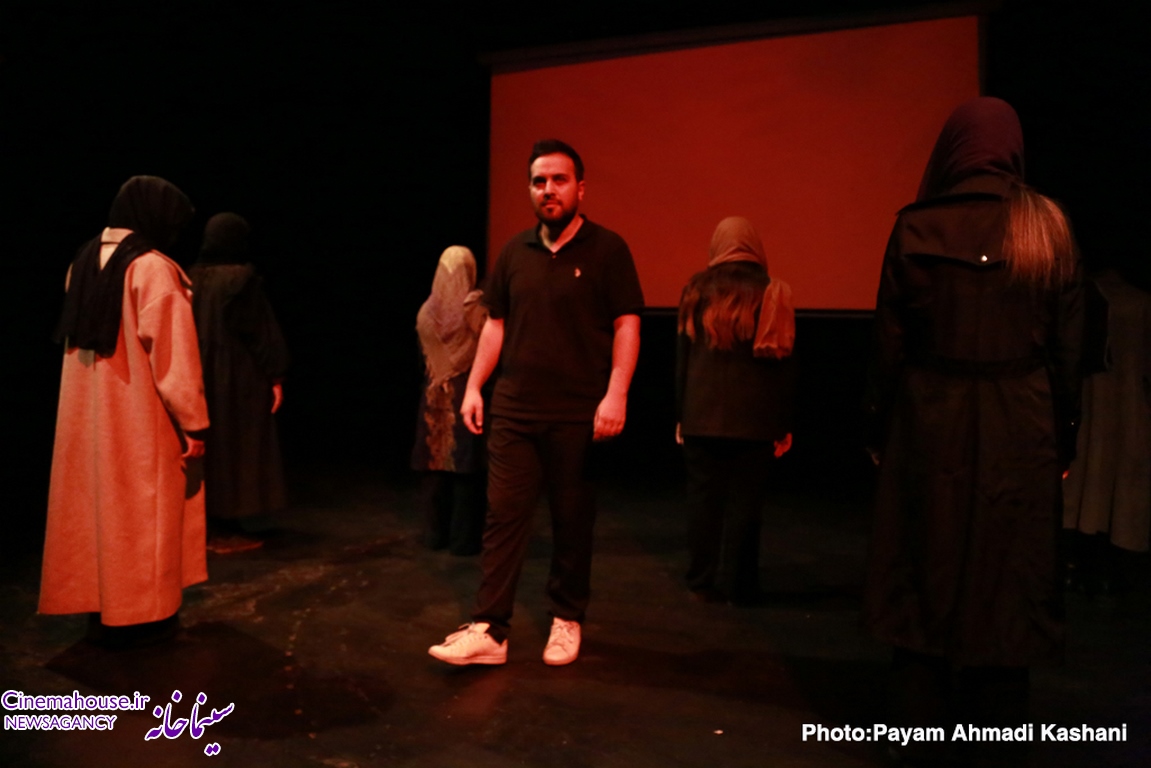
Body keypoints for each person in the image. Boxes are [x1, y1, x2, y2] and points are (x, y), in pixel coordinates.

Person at [862, 98, 1082, 766]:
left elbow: (888, 345)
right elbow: (1068, 351)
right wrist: (1063, 440)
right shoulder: (1046, 226)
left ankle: (919, 734)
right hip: (1022, 424)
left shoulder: (915, 226)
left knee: (922, 568)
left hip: (930, 420)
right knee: (1009, 578)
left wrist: (879, 430)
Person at [429, 139, 644, 666]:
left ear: (580, 188)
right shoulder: (514, 252)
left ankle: (567, 618)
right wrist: (475, 386)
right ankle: (490, 629)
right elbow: (495, 325)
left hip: (578, 413)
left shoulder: (607, 250)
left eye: (559, 180)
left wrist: (617, 393)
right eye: (538, 181)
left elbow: (627, 324)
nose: (548, 189)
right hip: (515, 409)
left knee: (572, 520)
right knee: (503, 517)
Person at [40, 175, 209, 647]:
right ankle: (144, 616)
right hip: (138, 418)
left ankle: (102, 608)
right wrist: (193, 423)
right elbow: (174, 357)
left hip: (87, 419)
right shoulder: (151, 268)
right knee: (143, 516)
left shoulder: (81, 261)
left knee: (96, 512)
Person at [675, 216, 796, 606]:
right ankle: (741, 587)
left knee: (702, 503)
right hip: (755, 421)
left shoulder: (695, 290)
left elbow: (682, 360)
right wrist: (783, 423)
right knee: (747, 506)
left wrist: (681, 414)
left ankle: (701, 581)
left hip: (700, 417)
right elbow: (783, 365)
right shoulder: (773, 291)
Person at [189, 212, 289, 553]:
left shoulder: (188, 277)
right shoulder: (241, 279)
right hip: (236, 377)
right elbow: (260, 331)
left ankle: (212, 523)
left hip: (197, 373)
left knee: (212, 446)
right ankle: (222, 526)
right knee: (236, 447)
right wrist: (275, 373)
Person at [1062, 268, 1151, 591]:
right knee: (1100, 479)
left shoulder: (1118, 300)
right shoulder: (1098, 296)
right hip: (1105, 400)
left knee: (1104, 480)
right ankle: (1097, 565)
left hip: (1112, 400)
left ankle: (1098, 564)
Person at [411, 245, 489, 556]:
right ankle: (463, 541)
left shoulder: (425, 313)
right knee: (465, 469)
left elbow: (423, 358)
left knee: (434, 467)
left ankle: (434, 535)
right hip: (468, 394)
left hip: (433, 396)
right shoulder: (476, 311)